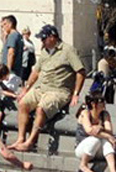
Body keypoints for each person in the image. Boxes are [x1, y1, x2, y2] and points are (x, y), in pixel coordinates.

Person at [8, 23, 83, 154]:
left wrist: (76, 93)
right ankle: (21, 139)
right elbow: (36, 72)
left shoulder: (68, 50)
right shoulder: (44, 51)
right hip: (42, 88)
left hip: (59, 91)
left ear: (53, 37)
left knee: (41, 108)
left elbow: (81, 72)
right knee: (23, 104)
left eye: (44, 38)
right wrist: (26, 89)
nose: (42, 41)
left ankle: (30, 142)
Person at [75, 93, 116, 172]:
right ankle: (83, 164)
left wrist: (100, 128)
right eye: (101, 101)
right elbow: (89, 131)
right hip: (83, 149)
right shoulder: (85, 113)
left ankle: (113, 171)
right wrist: (108, 136)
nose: (104, 103)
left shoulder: (105, 114)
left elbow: (109, 130)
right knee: (94, 140)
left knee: (106, 142)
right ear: (93, 104)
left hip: (98, 150)